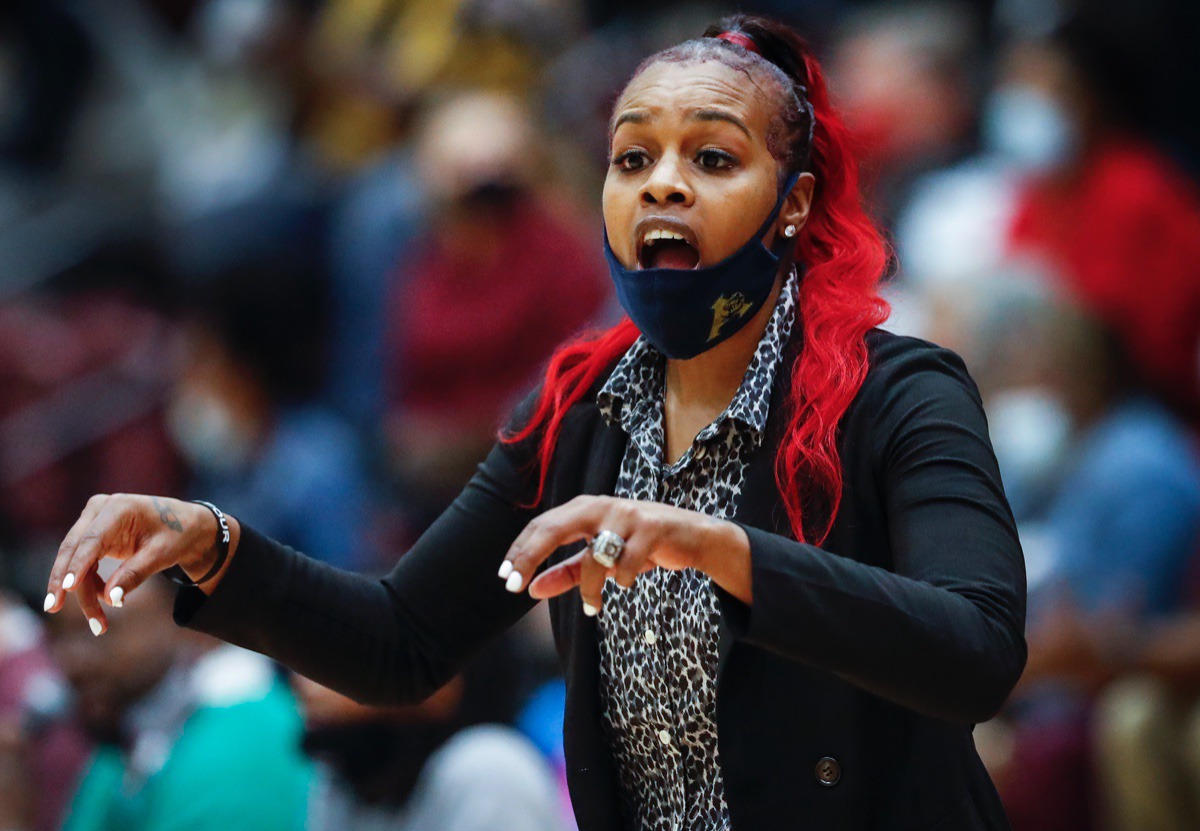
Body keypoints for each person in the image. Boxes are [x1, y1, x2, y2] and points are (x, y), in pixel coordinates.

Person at [42, 14, 1027, 831]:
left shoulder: (899, 393)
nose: (663, 184)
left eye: (713, 157)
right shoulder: (577, 413)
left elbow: (975, 653)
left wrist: (723, 551)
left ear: (791, 202)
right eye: (632, 155)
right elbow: (402, 640)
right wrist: (214, 547)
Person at [43, 576, 312, 831]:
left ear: (189, 624)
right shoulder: (128, 721)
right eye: (58, 636)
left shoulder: (244, 736)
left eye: (98, 631)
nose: (72, 661)